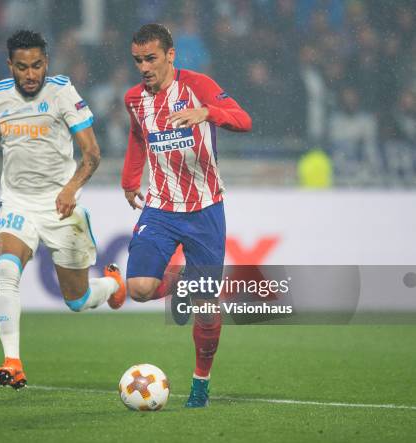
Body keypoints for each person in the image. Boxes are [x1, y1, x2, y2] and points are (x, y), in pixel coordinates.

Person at [0, 30, 126, 390]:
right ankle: (13, 361)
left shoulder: (61, 93)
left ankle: (112, 284)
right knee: (6, 270)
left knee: (78, 299)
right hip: (17, 202)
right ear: (10, 65)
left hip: (59, 205)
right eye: (22, 67)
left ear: (46, 63)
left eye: (37, 65)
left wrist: (71, 188)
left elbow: (92, 154)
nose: (30, 74)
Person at [121, 24, 252, 408]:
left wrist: (206, 113)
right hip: (161, 206)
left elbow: (243, 120)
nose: (144, 67)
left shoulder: (197, 85)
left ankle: (200, 384)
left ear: (170, 55)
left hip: (205, 208)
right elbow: (136, 135)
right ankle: (181, 285)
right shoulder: (134, 99)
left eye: (151, 58)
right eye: (138, 60)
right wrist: (130, 180)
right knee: (140, 289)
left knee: (208, 311)